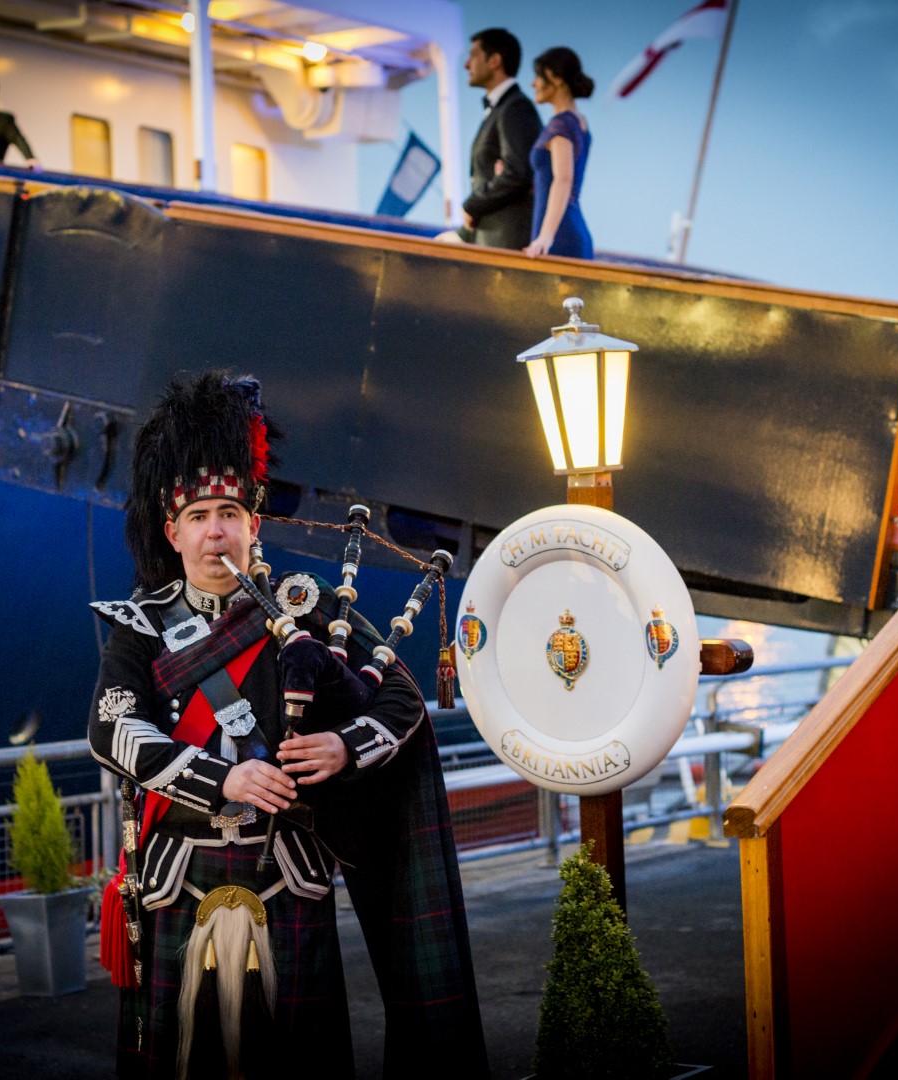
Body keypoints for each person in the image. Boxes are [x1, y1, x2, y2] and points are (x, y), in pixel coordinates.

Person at [88, 371, 487, 1079]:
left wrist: (342, 746)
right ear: (171, 528)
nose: (217, 530)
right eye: (202, 514)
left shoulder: (307, 614)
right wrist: (226, 778)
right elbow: (114, 730)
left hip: (287, 878)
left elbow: (400, 700)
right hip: (179, 879)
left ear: (254, 525)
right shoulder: (139, 629)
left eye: (232, 514)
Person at [460, 28, 542, 251]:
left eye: (473, 56)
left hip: (505, 241)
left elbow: (517, 172)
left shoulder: (516, 107)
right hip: (489, 238)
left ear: (495, 60)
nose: (467, 65)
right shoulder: (503, 108)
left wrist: (472, 206)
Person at [524, 47, 595, 260]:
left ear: (556, 78)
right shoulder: (580, 123)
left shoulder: (561, 125)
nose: (533, 83)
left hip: (559, 234)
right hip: (569, 228)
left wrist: (545, 236)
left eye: (538, 75)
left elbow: (563, 179)